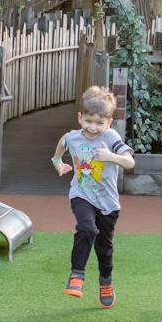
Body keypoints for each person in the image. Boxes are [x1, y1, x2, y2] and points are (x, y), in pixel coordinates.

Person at [51, 86, 135, 309]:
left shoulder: (111, 137)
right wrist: (58, 161)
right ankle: (76, 275)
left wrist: (111, 156)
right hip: (82, 194)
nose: (93, 127)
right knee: (87, 228)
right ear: (80, 118)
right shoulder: (73, 137)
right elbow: (63, 143)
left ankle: (105, 281)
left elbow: (130, 162)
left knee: (104, 247)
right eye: (88, 121)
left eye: (99, 123)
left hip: (107, 203)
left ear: (108, 123)